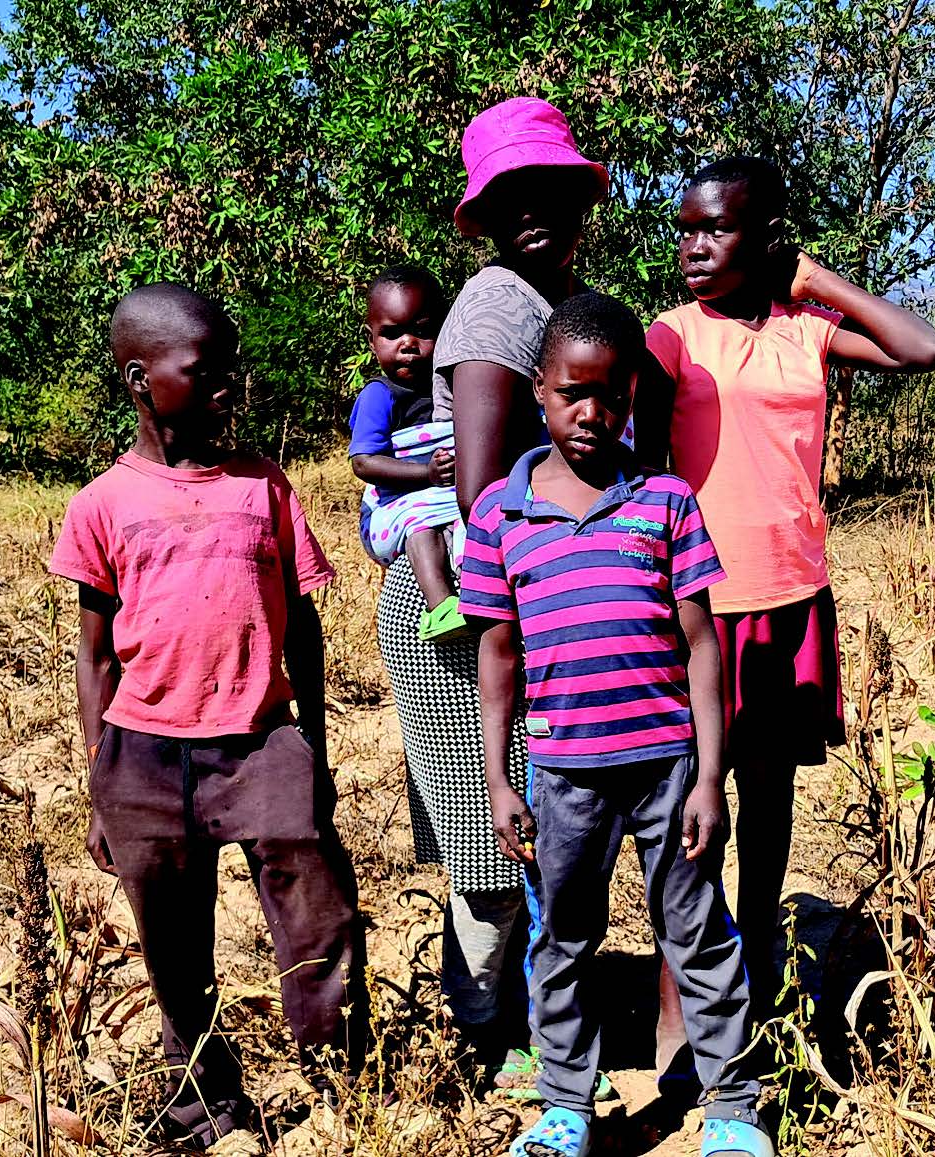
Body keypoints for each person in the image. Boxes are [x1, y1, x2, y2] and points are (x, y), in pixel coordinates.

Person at [50, 283, 368, 1147]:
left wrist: (314, 748)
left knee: (320, 919)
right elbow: (95, 655)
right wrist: (101, 782)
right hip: (146, 756)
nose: (231, 383)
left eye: (233, 365)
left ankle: (345, 1083)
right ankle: (205, 1102)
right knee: (174, 947)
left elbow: (302, 627)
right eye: (206, 369)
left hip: (263, 741)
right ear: (140, 380)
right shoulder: (102, 503)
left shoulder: (264, 486)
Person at [463, 292, 774, 1157]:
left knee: (697, 931)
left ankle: (732, 1106)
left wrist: (708, 777)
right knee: (563, 937)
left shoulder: (665, 501)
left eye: (612, 394)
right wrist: (500, 781)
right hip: (563, 774)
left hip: (668, 768)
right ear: (539, 388)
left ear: (632, 394)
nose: (592, 413)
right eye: (573, 392)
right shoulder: (499, 514)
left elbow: (703, 644)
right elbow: (498, 657)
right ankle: (566, 1103)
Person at [646, 156, 935, 1018]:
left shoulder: (806, 330)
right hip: (702, 607)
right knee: (695, 801)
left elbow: (923, 347)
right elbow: (639, 465)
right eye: (686, 229)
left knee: (769, 796)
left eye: (716, 228)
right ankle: (687, 991)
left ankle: (760, 959)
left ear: (766, 237)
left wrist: (814, 280)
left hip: (790, 595)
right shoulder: (672, 336)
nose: (693, 246)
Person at [373, 95, 607, 1084]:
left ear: (581, 197)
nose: (531, 210)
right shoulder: (497, 305)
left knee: (529, 829)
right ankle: (478, 1037)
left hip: (522, 596)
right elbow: (477, 488)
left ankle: (511, 1019)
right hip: (462, 607)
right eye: (509, 197)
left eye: (547, 188)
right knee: (492, 842)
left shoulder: (560, 299)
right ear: (485, 216)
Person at [348, 265, 468, 641]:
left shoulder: (457, 385)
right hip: (400, 504)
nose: (408, 344)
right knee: (421, 528)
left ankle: (477, 588)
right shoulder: (379, 397)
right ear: (371, 340)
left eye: (423, 331)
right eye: (392, 334)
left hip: (451, 497)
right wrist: (426, 474)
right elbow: (364, 462)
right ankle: (440, 606)